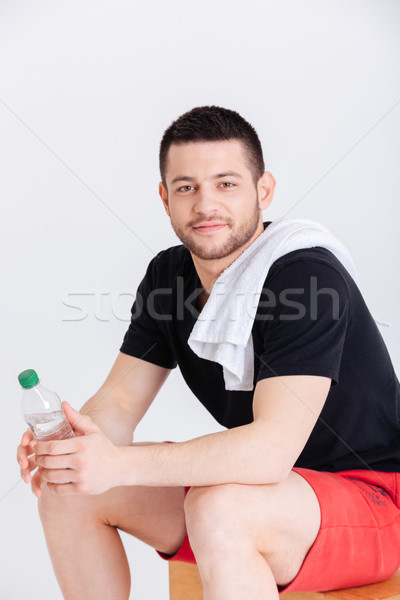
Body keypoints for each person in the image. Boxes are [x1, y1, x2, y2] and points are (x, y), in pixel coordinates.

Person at [17, 105, 400, 600]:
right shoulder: (168, 277)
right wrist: (73, 449)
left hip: (373, 499)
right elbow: (117, 404)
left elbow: (268, 453)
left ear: (263, 191)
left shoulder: (304, 278)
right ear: (165, 198)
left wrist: (118, 464)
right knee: (67, 491)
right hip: (266, 498)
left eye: (226, 184)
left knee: (221, 507)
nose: (205, 205)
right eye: (186, 187)